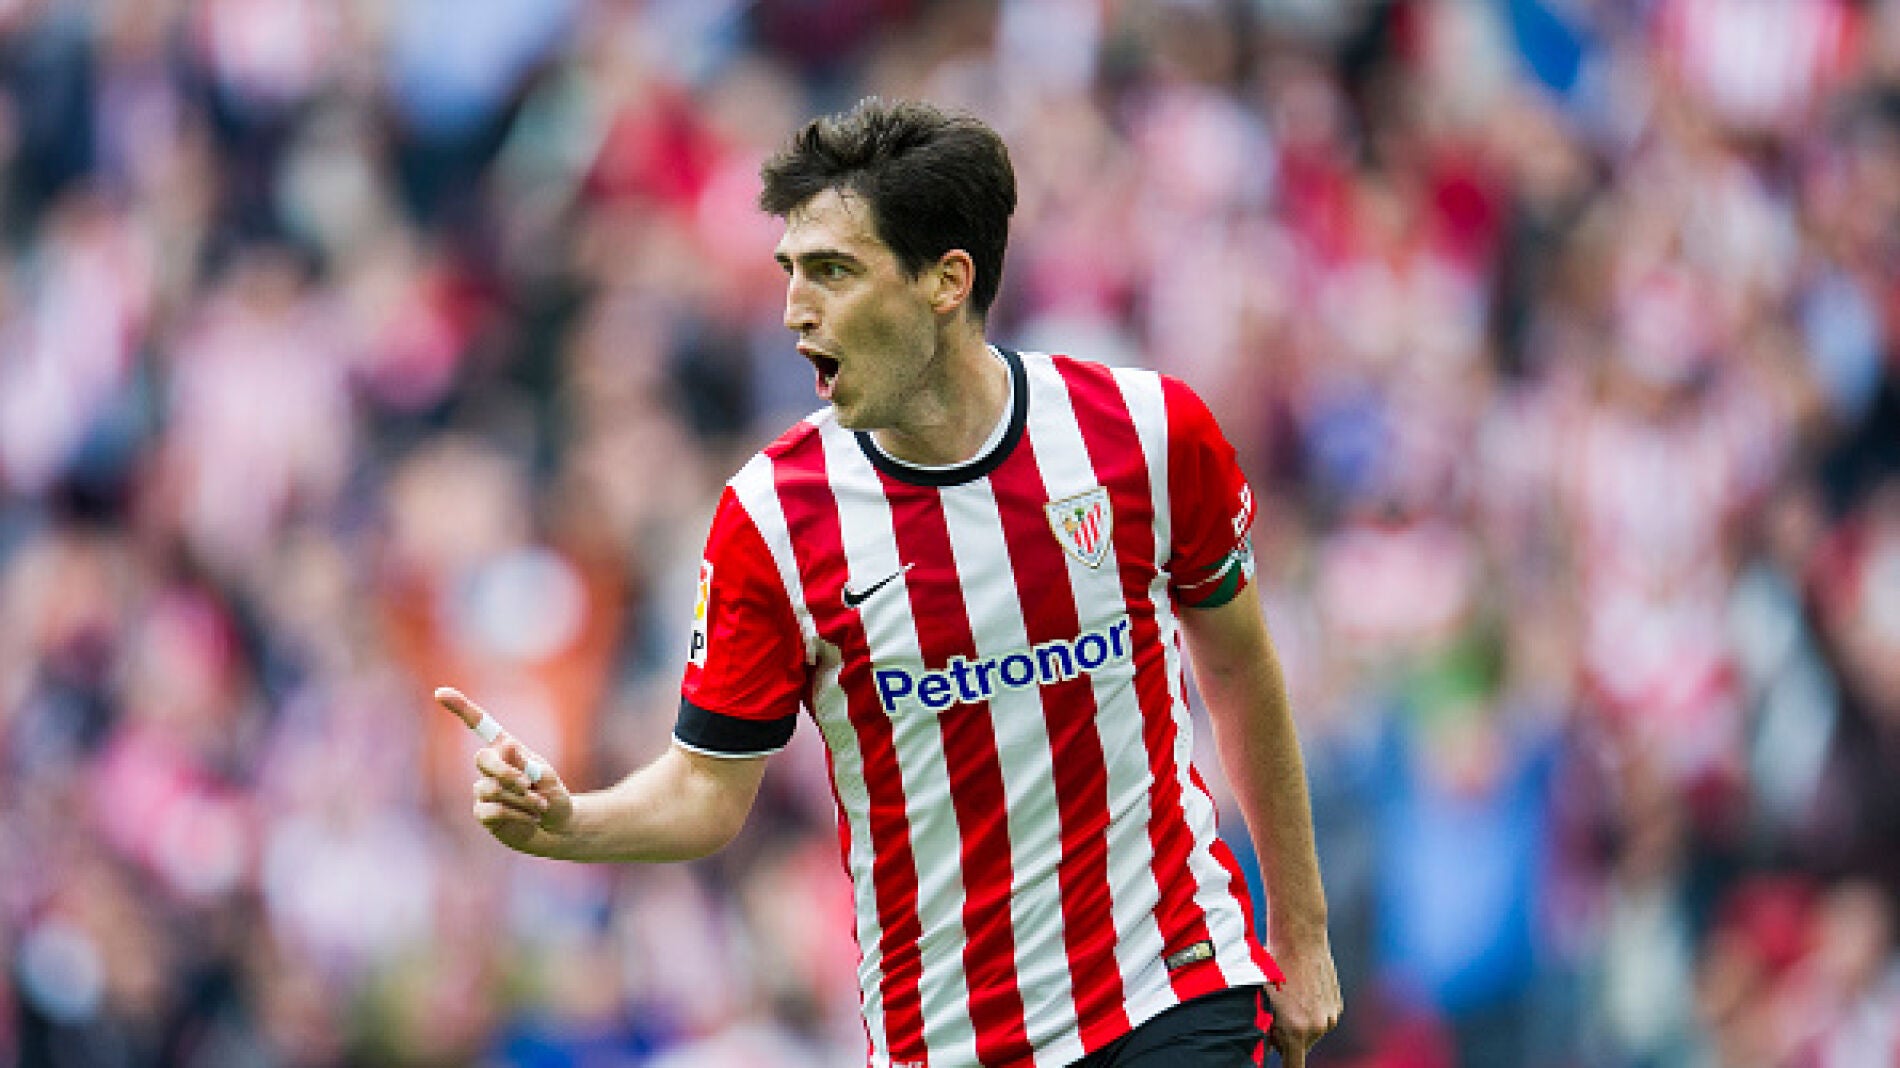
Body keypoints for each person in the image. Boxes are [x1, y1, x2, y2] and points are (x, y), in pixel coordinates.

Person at [437, 97, 1342, 1068]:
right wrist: (573, 824)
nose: (794, 310)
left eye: (833, 271)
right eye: (791, 273)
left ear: (945, 280)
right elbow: (706, 790)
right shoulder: (771, 519)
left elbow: (1240, 668)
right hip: (949, 1038)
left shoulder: (1143, 435)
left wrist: (1299, 930)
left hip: (1171, 983)